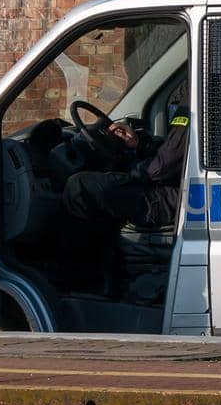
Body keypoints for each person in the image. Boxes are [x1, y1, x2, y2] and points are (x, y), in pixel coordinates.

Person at [59, 106, 189, 293]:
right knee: (107, 189)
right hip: (177, 189)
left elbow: (160, 168)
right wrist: (138, 143)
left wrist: (131, 173)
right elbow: (171, 151)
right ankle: (108, 273)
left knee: (79, 187)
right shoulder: (201, 101)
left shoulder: (196, 107)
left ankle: (81, 283)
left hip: (175, 196)